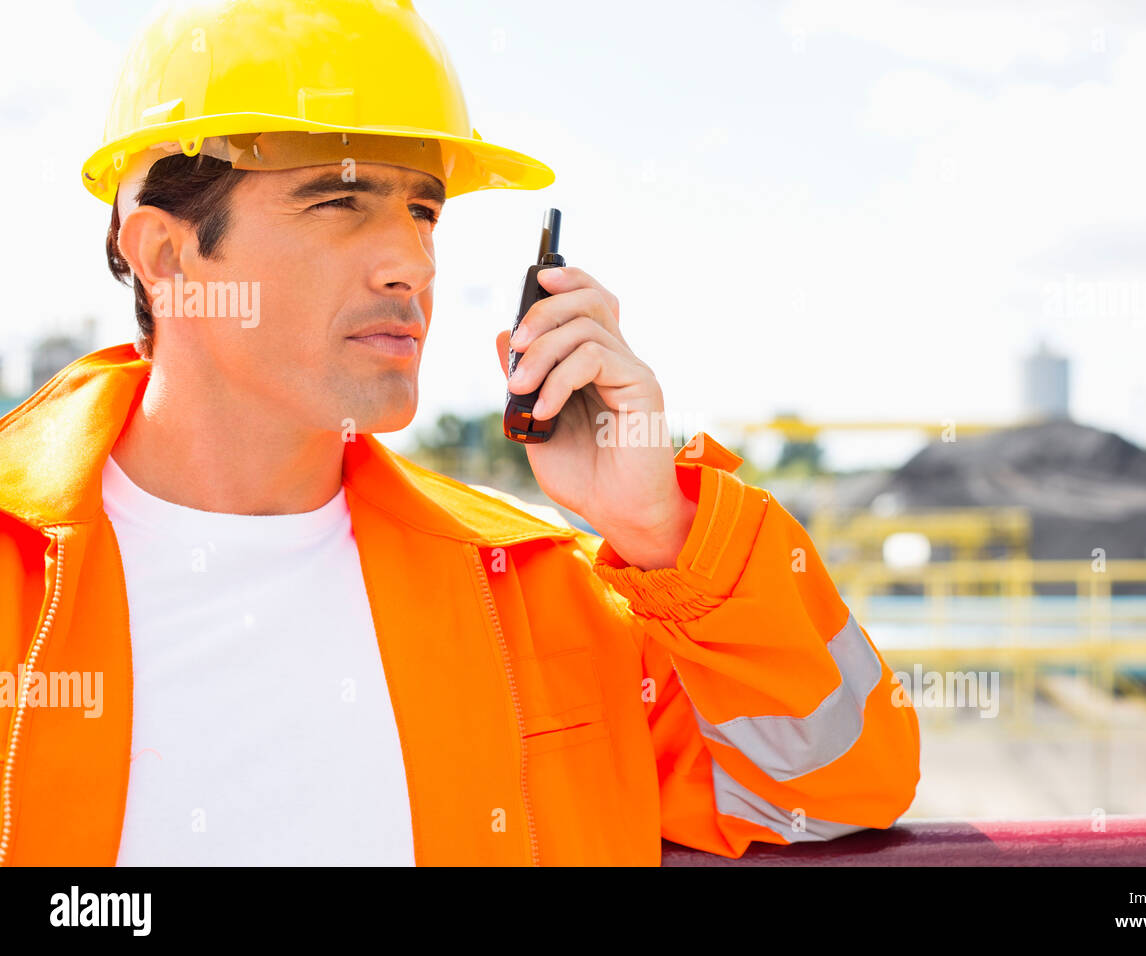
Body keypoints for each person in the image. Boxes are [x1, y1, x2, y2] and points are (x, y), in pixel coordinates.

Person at [0, 0, 920, 865]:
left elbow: (840, 787)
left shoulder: (532, 599)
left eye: (423, 210)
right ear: (167, 255)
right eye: (338, 202)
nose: (413, 263)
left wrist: (662, 531)